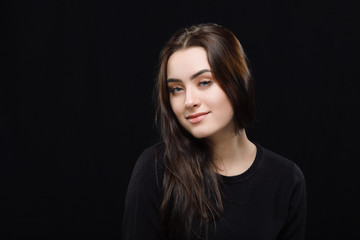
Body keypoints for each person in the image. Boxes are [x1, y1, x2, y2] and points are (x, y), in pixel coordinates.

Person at [122, 23, 306, 240]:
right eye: (176, 89)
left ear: (238, 81)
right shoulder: (155, 169)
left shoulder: (286, 179)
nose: (189, 101)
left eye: (204, 82)